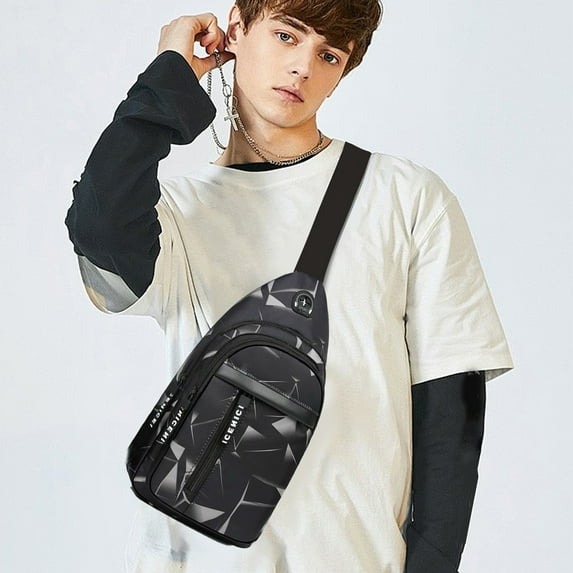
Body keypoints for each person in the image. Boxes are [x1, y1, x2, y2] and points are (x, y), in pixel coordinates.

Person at [64, 1, 514, 571]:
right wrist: (169, 78)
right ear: (236, 28)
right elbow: (98, 225)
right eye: (286, 35)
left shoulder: (405, 196)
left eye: (329, 55)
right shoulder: (174, 215)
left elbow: (451, 414)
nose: (303, 66)